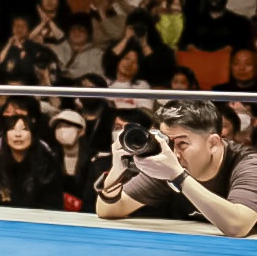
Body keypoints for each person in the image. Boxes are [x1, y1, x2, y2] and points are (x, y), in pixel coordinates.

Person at [95, 100, 257, 237]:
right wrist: (117, 172)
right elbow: (107, 210)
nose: (174, 154)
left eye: (182, 143)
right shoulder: (167, 164)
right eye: (168, 143)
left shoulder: (249, 163)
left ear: (213, 143)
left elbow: (238, 226)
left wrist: (178, 177)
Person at [0, 113, 61, 210]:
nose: (18, 134)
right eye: (12, 129)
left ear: (33, 136)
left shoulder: (48, 166)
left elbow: (53, 205)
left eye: (24, 129)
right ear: (5, 137)